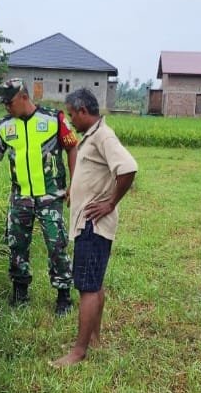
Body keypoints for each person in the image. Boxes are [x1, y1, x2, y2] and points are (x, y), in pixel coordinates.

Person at [0, 78, 79, 315]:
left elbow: (72, 147)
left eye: (9, 102)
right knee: (16, 245)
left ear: (24, 97)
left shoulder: (53, 119)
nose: (6, 107)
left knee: (56, 244)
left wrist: (74, 182)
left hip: (50, 195)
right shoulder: (5, 125)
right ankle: (20, 293)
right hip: (20, 197)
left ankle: (63, 296)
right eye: (4, 103)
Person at [52, 88, 137, 367]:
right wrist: (74, 190)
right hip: (88, 223)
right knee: (95, 283)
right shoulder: (92, 135)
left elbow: (128, 168)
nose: (70, 120)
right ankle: (94, 339)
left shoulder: (103, 136)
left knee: (87, 286)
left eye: (72, 114)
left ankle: (78, 351)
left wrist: (110, 203)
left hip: (93, 224)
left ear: (83, 111)